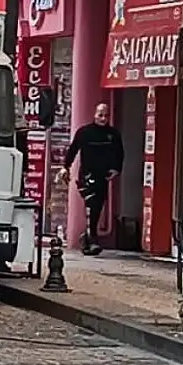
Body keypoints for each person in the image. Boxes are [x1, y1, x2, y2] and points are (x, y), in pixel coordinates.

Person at [58, 102, 124, 256]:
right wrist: (65, 166)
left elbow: (119, 153)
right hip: (86, 175)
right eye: (100, 115)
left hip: (104, 176)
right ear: (94, 114)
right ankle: (91, 238)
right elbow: (73, 149)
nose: (103, 118)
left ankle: (88, 237)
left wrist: (116, 169)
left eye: (106, 115)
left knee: (98, 207)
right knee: (91, 204)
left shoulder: (113, 134)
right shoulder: (85, 132)